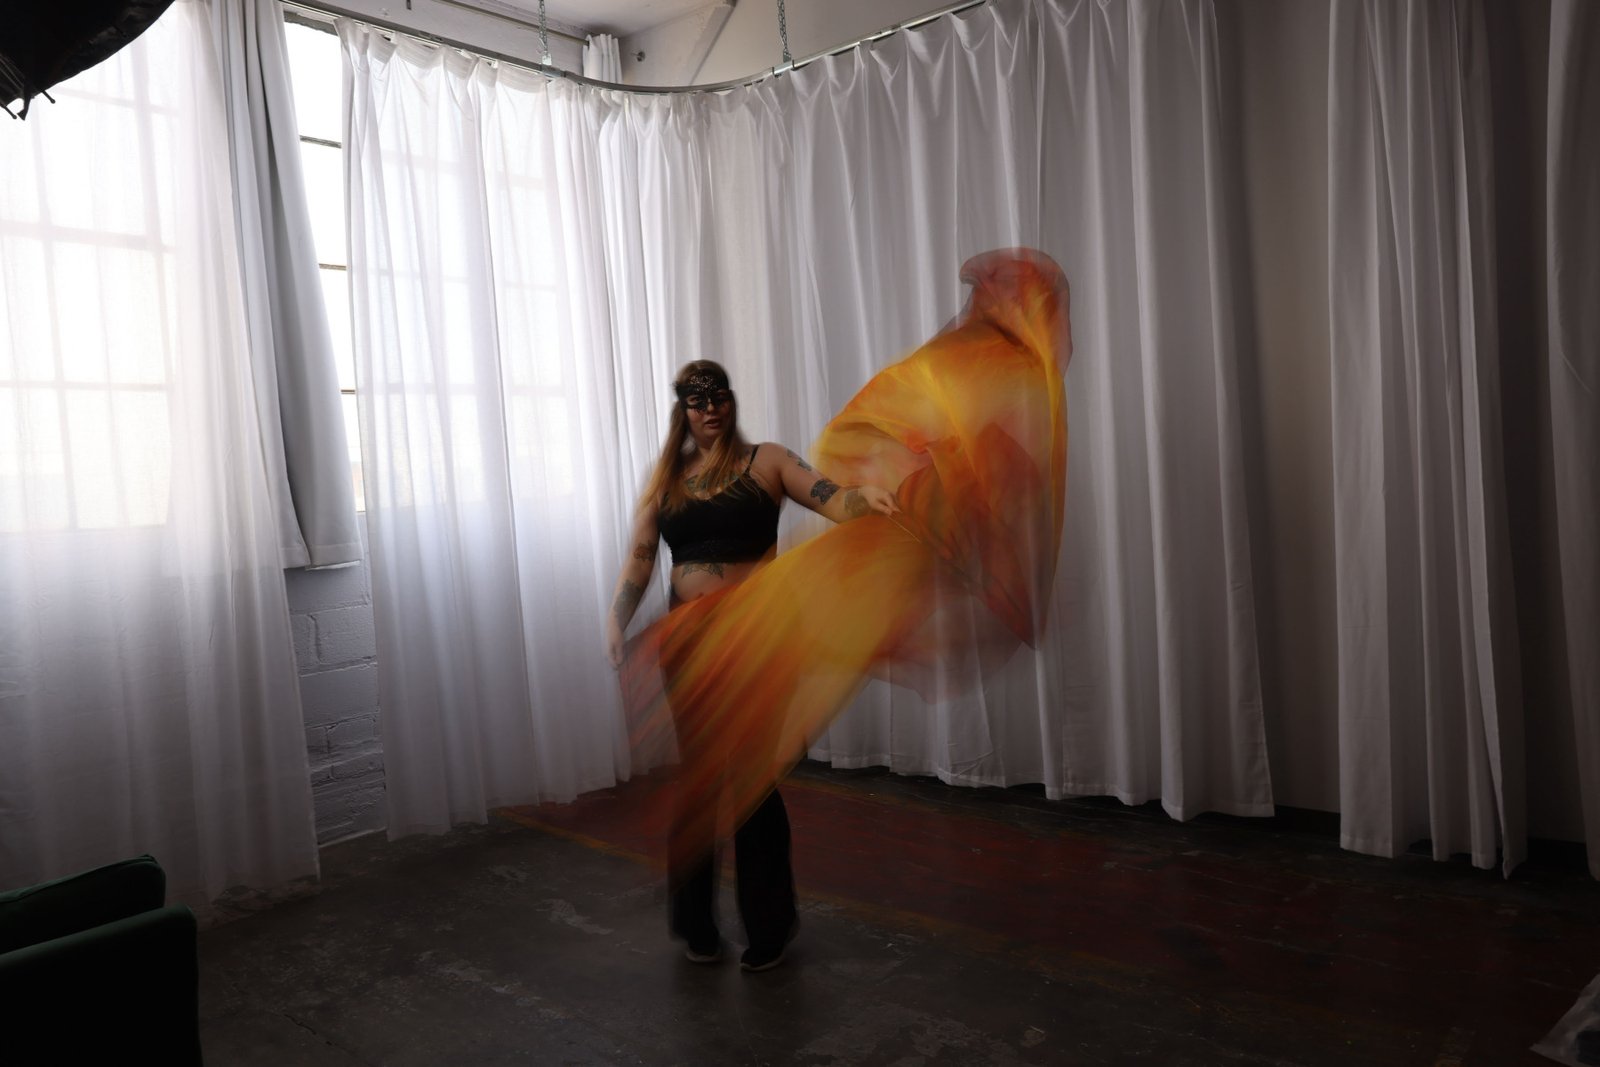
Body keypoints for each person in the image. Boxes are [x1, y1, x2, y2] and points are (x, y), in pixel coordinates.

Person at [605, 359, 898, 973]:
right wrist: (616, 618)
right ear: (683, 411)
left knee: (752, 782)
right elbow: (640, 559)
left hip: (760, 638)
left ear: (731, 401)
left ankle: (768, 927)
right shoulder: (666, 481)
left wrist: (864, 498)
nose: (710, 408)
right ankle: (697, 925)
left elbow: (831, 497)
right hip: (689, 646)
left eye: (718, 397)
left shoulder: (769, 461)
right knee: (701, 777)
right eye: (697, 400)